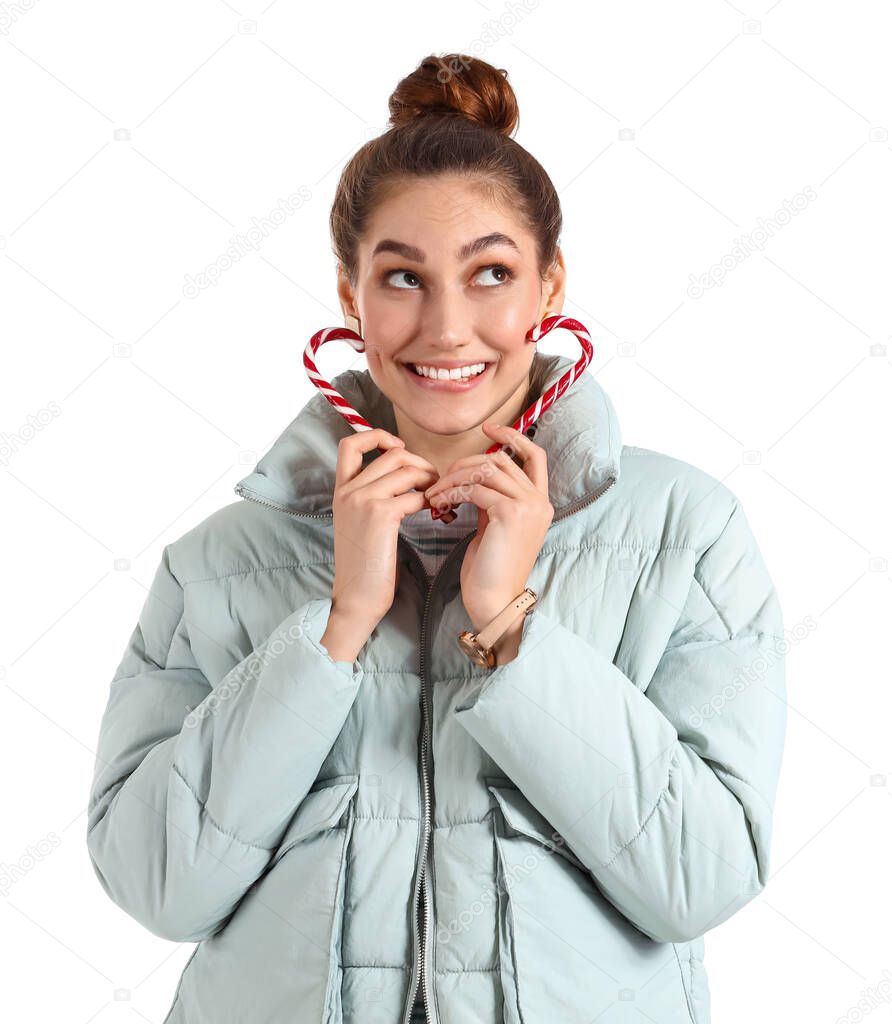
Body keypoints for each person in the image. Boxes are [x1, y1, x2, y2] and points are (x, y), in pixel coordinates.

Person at [85, 53, 787, 1024]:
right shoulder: (216, 563)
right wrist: (338, 626)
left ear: (550, 284)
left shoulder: (685, 534)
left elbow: (700, 877)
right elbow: (156, 885)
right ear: (351, 298)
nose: (448, 327)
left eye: (490, 272)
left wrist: (507, 625)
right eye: (403, 277)